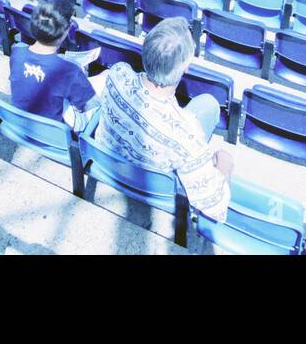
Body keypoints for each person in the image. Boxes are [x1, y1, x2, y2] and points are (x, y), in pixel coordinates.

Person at [95, 17, 232, 222]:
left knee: (207, 104)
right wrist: (225, 164)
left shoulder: (118, 73)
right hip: (154, 187)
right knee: (209, 105)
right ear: (186, 66)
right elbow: (216, 209)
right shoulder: (187, 133)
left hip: (108, 163)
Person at [9, 2, 100, 133]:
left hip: (23, 120)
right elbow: (88, 104)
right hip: (55, 131)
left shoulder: (17, 51)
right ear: (65, 32)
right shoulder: (68, 70)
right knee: (104, 80)